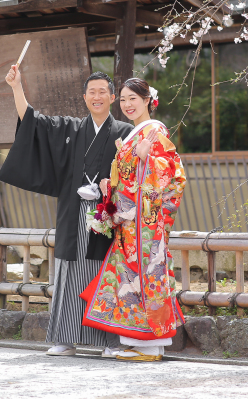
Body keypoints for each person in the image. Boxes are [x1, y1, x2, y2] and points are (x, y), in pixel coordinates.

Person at [0, 66, 133, 357]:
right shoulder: (71, 129)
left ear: (112, 97)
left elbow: (134, 175)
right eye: (91, 92)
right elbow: (32, 120)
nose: (97, 97)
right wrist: (16, 87)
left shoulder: (125, 132)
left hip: (108, 214)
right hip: (73, 211)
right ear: (84, 97)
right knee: (69, 272)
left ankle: (110, 341)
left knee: (105, 273)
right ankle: (65, 339)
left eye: (102, 92)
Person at [80, 78, 187, 362]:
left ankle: (150, 345)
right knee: (130, 281)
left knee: (145, 279)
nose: (127, 105)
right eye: (124, 99)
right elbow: (126, 178)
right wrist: (110, 188)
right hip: (132, 224)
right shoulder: (136, 134)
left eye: (133, 99)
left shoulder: (154, 133)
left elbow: (169, 177)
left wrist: (145, 161)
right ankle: (136, 342)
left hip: (145, 227)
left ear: (147, 100)